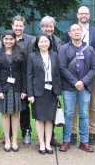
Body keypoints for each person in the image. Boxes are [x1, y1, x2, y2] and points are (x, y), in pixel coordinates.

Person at [58, 24, 95, 152]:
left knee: (84, 114)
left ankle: (84, 142)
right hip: (69, 87)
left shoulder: (89, 49)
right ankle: (66, 140)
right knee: (68, 113)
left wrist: (83, 82)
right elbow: (62, 67)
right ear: (69, 33)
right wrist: (75, 82)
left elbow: (94, 68)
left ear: (82, 32)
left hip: (84, 88)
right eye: (73, 30)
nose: (76, 32)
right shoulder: (64, 48)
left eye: (78, 30)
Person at [70, 6, 95, 145]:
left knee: (92, 104)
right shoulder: (72, 31)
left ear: (89, 15)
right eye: (81, 13)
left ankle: (92, 132)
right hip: (74, 74)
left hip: (91, 74)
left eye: (86, 13)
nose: (83, 15)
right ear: (77, 15)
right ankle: (73, 132)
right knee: (74, 104)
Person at [27, 34, 62, 154]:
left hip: (51, 91)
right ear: (37, 43)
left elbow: (57, 74)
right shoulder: (32, 56)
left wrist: (58, 91)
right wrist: (30, 94)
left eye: (46, 41)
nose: (43, 44)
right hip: (38, 92)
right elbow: (29, 76)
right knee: (40, 119)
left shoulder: (55, 55)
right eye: (41, 42)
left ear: (50, 43)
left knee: (50, 119)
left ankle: (48, 143)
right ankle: (41, 143)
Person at [0, 30, 26, 152]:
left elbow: (24, 72)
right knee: (5, 114)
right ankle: (7, 140)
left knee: (16, 114)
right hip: (3, 88)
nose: (8, 41)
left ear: (15, 40)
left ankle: (15, 140)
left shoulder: (21, 52)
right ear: (3, 39)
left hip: (17, 87)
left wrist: (24, 90)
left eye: (11, 39)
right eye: (6, 39)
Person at [39, 15, 63, 147]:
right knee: (41, 113)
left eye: (51, 26)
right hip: (40, 83)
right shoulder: (36, 41)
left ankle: (50, 138)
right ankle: (42, 139)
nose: (49, 28)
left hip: (54, 82)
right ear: (42, 28)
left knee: (52, 111)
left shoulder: (59, 42)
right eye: (46, 26)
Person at [11, 15, 35, 144]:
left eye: (21, 26)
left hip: (27, 79)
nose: (18, 28)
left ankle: (26, 132)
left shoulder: (31, 40)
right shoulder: (8, 38)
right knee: (10, 108)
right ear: (12, 26)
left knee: (25, 107)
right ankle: (9, 133)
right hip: (11, 80)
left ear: (24, 27)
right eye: (16, 25)